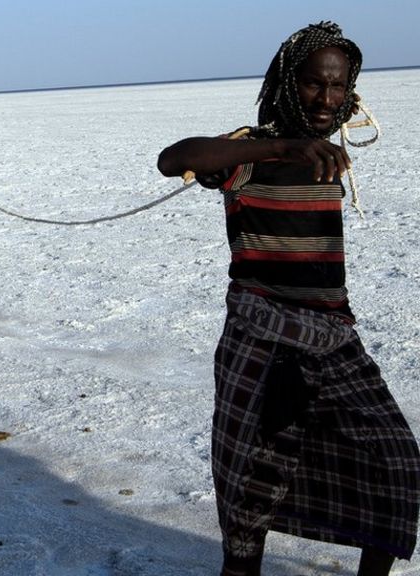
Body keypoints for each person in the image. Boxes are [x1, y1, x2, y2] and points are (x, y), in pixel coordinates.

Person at [157, 22, 419, 576]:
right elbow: (171, 156)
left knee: (395, 458)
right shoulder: (249, 152)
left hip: (332, 335)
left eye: (338, 86)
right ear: (287, 81)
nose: (327, 98)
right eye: (313, 84)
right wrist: (278, 144)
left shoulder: (329, 151)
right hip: (263, 335)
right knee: (251, 486)